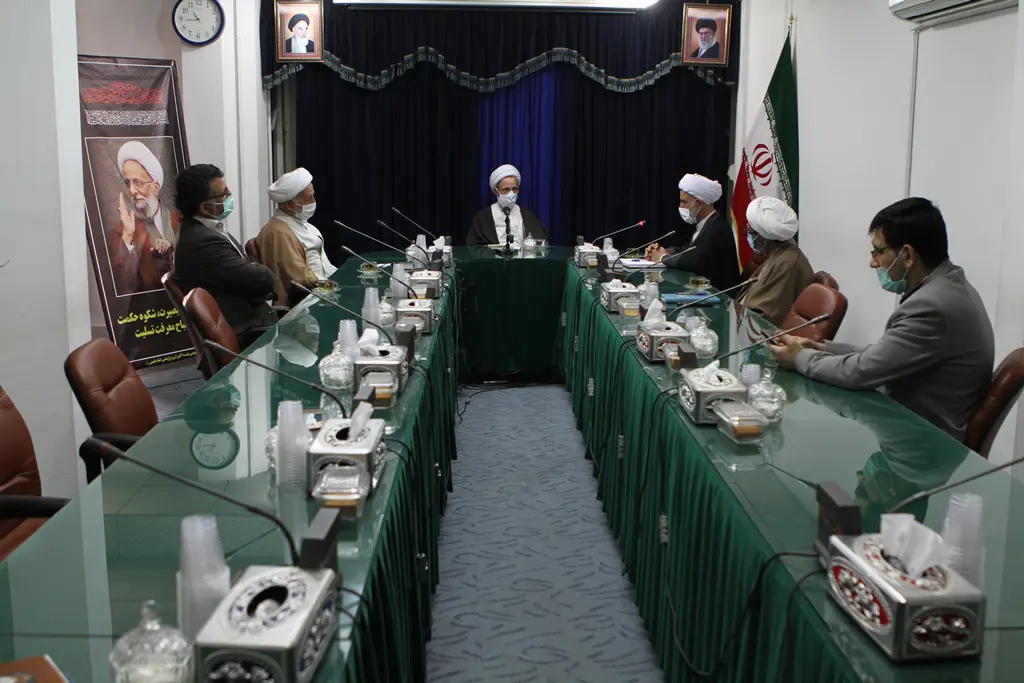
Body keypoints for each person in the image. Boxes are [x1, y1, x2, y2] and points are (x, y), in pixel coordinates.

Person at [770, 197, 994, 442]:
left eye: (879, 251)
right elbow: (884, 353)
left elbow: (862, 372)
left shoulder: (932, 306)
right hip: (912, 425)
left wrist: (800, 358)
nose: (873, 262)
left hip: (921, 443)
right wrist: (821, 348)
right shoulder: (950, 284)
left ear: (907, 255)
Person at [172, 164, 277, 349]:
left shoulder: (205, 229)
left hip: (254, 320)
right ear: (205, 207)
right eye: (224, 194)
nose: (229, 196)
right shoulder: (203, 243)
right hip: (249, 334)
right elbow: (263, 279)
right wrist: (258, 268)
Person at [255, 168, 337, 306]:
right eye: (308, 198)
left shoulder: (304, 224)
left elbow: (324, 264)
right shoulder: (278, 233)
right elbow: (301, 280)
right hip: (309, 301)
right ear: (290, 205)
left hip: (326, 291)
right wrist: (334, 286)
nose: (314, 201)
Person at [645, 173, 740, 291]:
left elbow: (692, 261)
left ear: (699, 204)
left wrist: (662, 257)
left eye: (684, 202)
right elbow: (688, 250)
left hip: (719, 295)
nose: (680, 206)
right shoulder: (706, 223)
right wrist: (662, 251)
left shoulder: (716, 228)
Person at [109, 141, 177, 294]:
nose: (132, 191)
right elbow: (123, 283)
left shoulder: (179, 220)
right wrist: (128, 235)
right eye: (128, 183)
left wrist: (171, 252)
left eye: (138, 183)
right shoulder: (121, 232)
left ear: (155, 187)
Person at [737, 196, 814, 325]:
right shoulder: (777, 253)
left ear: (763, 238)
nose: (747, 237)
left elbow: (764, 316)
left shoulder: (788, 263)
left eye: (749, 232)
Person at [466, 164, 549, 246]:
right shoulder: (483, 218)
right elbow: (474, 247)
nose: (511, 193)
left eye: (514, 189)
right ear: (495, 191)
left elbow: (541, 242)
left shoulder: (528, 216)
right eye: (505, 189)